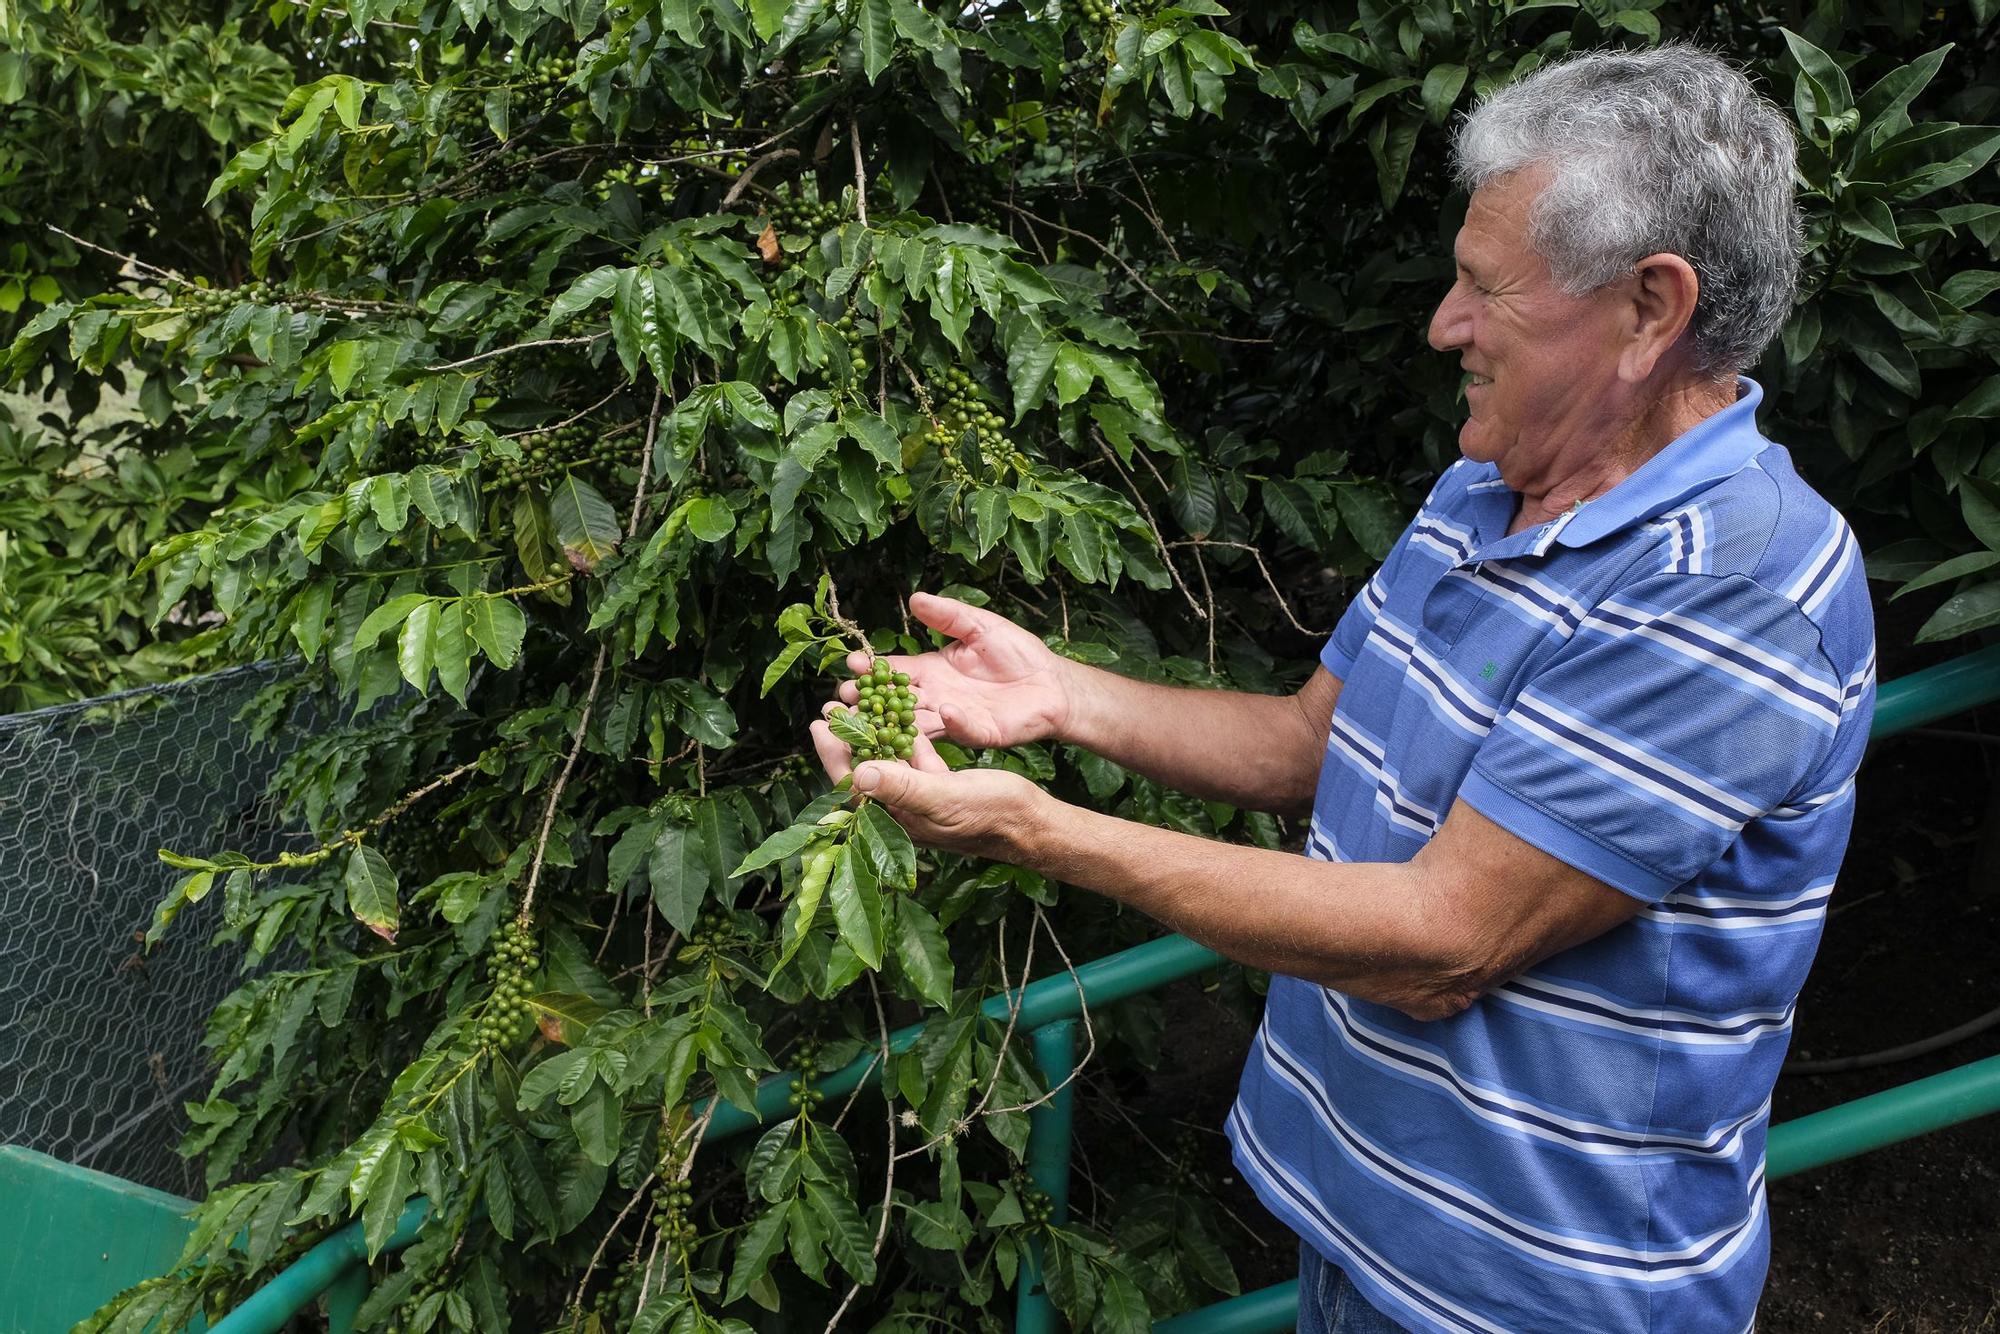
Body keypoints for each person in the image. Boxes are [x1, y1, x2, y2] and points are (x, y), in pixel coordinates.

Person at [810, 45, 1875, 1334]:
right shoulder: (1486, 488)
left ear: (1651, 310)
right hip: (1362, 1237)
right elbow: (1313, 739)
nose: (1444, 324)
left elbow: (1444, 944)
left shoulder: (1739, 589)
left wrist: (1038, 831)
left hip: (1533, 1298)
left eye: (1487, 288)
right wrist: (1057, 696)